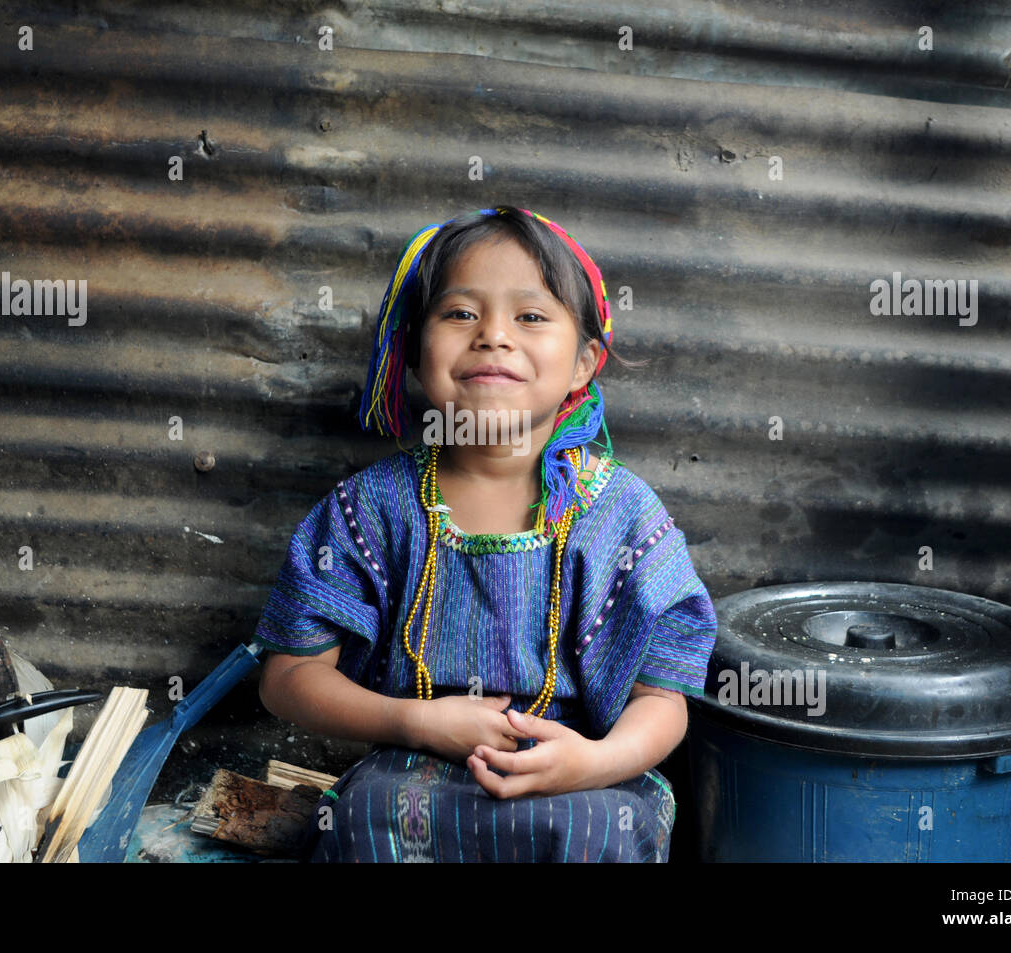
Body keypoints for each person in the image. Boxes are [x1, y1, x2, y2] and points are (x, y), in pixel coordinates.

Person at [253, 205, 717, 862]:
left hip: (578, 779)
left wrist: (596, 760)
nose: (493, 335)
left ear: (584, 362)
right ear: (414, 350)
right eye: (460, 313)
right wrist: (412, 720)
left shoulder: (621, 513)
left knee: (608, 826)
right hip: (415, 774)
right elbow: (287, 675)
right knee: (363, 814)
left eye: (530, 316)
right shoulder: (374, 507)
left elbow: (663, 695)